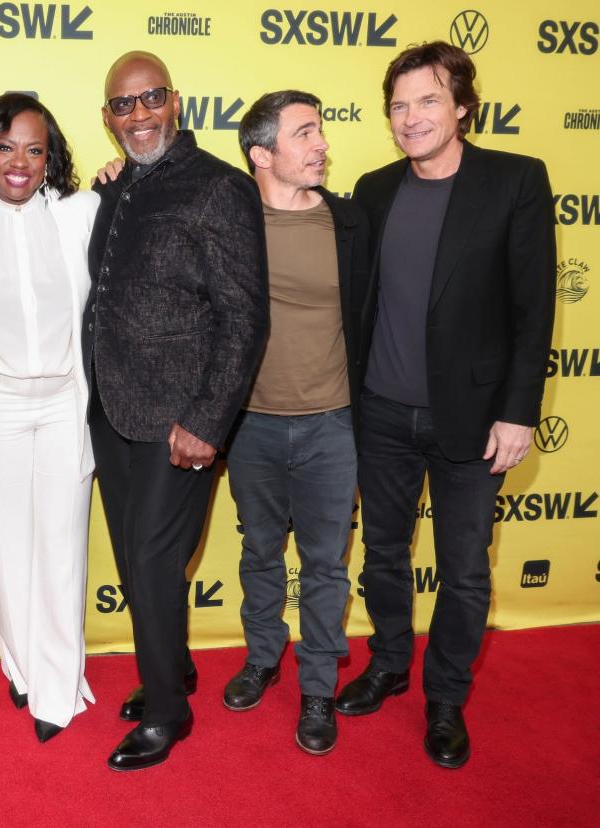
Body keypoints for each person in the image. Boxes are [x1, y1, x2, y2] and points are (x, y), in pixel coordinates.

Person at [338, 41, 555, 769]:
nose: (411, 117)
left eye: (428, 100)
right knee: (385, 556)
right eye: (399, 105)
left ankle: (445, 698)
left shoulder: (515, 181)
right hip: (381, 416)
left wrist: (520, 411)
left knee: (463, 571)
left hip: (476, 419)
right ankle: (391, 662)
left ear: (462, 105)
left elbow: (535, 309)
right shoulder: (372, 190)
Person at [85, 51, 269, 771]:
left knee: (155, 562)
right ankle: (178, 669)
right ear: (109, 119)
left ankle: (167, 712)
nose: (139, 115)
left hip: (180, 422)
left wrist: (208, 421)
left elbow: (246, 317)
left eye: (150, 98)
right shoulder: (119, 188)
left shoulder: (220, 187)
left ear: (176, 101)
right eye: (124, 106)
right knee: (139, 562)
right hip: (113, 411)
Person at [0, 93, 99, 744]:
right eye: (6, 147)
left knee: (62, 547)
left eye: (35, 150)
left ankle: (58, 685)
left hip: (65, 402)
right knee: (9, 546)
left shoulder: (79, 213)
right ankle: (22, 663)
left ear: (50, 157)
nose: (20, 163)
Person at [225, 90, 370, 755]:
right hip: (249, 426)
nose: (321, 144)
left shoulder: (350, 222)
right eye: (305, 133)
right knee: (258, 554)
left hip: (332, 426)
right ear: (262, 155)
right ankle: (262, 656)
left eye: (322, 129)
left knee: (324, 565)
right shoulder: (229, 222)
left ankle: (317, 686)